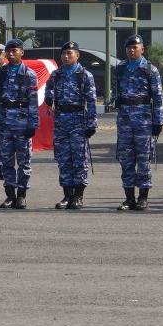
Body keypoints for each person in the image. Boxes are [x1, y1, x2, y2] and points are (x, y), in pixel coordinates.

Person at [112, 34, 163, 211]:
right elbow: (115, 92)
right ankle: (129, 198)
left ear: (142, 49)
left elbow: (157, 98)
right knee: (125, 159)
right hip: (125, 119)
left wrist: (158, 121)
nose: (132, 50)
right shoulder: (119, 69)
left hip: (144, 119)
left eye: (135, 47)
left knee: (144, 159)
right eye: (129, 48)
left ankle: (143, 197)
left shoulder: (150, 70)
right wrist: (115, 100)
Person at [47, 41, 98, 209]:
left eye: (70, 53)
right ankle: (67, 195)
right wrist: (49, 97)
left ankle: (78, 195)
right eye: (64, 54)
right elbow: (49, 90)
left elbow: (91, 101)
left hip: (78, 121)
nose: (66, 56)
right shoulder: (56, 75)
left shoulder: (84, 75)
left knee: (79, 159)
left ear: (77, 55)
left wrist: (91, 124)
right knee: (63, 160)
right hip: (61, 121)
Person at [0, 39, 40, 209]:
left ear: (22, 52)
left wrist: (33, 124)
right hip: (4, 122)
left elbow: (33, 101)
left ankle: (22, 195)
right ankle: (10, 195)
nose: (10, 54)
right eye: (8, 51)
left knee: (24, 161)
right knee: (7, 161)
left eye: (14, 51)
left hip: (22, 122)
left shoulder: (29, 74)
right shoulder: (0, 72)